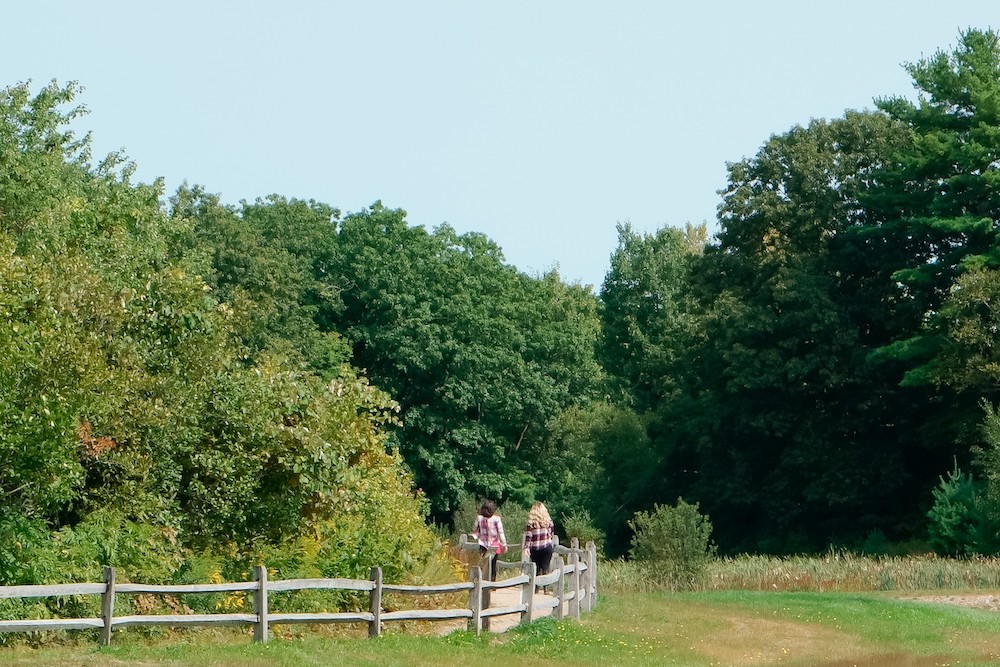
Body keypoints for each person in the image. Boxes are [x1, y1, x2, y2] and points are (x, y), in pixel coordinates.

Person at [472, 499, 507, 581]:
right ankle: (492, 581)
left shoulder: (479, 518)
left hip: (483, 543)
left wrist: (476, 534)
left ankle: (483, 580)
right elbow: (501, 533)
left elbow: (474, 529)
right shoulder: (497, 519)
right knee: (493, 564)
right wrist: (504, 545)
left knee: (483, 563)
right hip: (494, 544)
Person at [522, 501, 555, 584]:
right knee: (545, 567)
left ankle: (535, 587)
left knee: (536, 568)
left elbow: (529, 536)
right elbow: (551, 534)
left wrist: (526, 547)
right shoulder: (548, 522)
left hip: (535, 548)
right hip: (546, 546)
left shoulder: (531, 524)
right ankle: (545, 587)